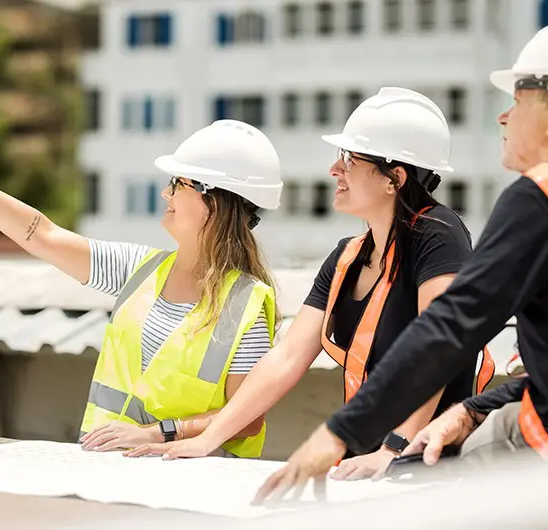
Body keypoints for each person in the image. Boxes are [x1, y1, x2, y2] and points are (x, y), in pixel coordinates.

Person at [253, 17, 548, 505]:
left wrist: (336, 434)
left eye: (518, 101)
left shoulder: (545, 197)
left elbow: (449, 330)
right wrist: (472, 410)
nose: (502, 118)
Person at [125, 87, 494, 479]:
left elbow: (441, 348)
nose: (335, 170)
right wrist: (207, 437)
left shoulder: (439, 235)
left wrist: (394, 448)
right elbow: (286, 358)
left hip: (430, 462)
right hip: (364, 461)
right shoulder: (346, 257)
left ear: (395, 178)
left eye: (350, 159)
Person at [0, 119, 286, 459]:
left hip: (195, 492)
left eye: (177, 183)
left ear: (212, 202)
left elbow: (247, 418)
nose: (166, 193)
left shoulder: (244, 304)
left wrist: (159, 434)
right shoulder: (139, 270)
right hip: (108, 473)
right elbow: (41, 234)